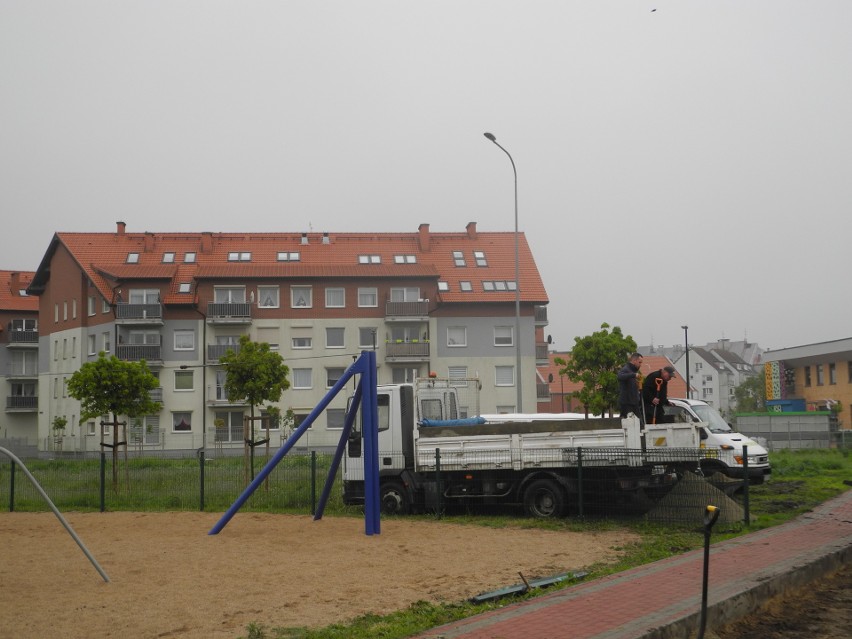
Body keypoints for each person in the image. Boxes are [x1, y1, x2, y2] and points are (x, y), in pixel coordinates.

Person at [617, 353, 644, 420]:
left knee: (639, 424)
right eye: (639, 362)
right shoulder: (626, 369)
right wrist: (633, 375)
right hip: (627, 403)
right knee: (629, 424)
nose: (640, 365)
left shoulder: (633, 370)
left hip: (634, 403)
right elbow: (620, 376)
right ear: (634, 361)